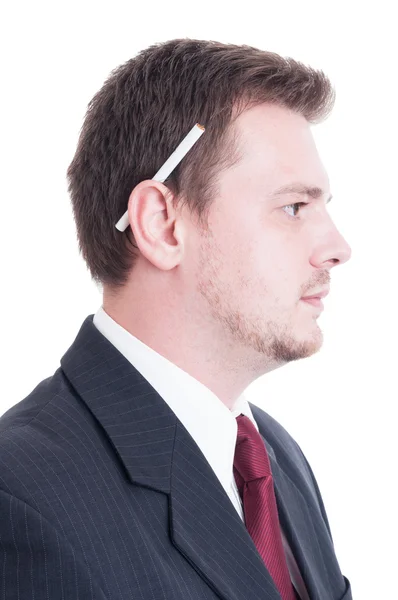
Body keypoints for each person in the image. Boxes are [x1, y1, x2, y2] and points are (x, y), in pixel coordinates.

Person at [0, 39, 353, 599]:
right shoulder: (20, 499)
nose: (337, 247)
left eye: (325, 207)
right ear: (163, 224)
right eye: (293, 207)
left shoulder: (272, 457)